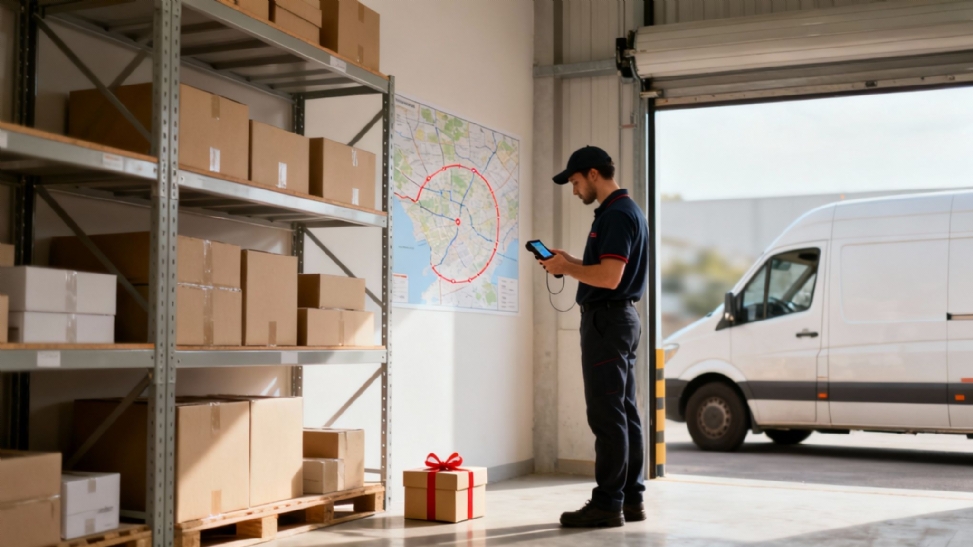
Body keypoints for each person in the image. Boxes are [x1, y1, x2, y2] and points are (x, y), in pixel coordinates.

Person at [538, 145, 649, 528]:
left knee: (607, 415)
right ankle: (631, 499)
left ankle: (607, 504)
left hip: (607, 322)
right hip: (620, 320)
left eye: (574, 181)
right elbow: (605, 269)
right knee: (625, 412)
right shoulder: (626, 211)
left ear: (592, 174)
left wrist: (567, 268)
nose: (574, 190)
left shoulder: (616, 215)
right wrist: (569, 261)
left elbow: (609, 278)